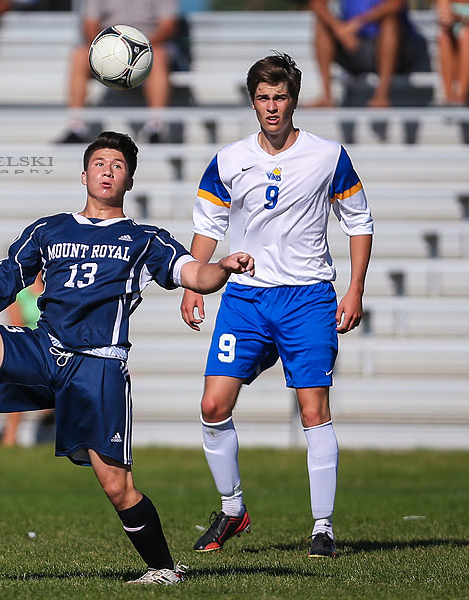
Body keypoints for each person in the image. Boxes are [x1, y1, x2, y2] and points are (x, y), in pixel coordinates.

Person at [0, 131, 255, 585]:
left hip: (97, 366)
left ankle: (162, 569)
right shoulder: (49, 229)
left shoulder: (145, 238)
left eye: (118, 165)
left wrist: (223, 269)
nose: (107, 170)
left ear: (129, 180)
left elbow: (193, 272)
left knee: (117, 486)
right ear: (83, 174)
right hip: (45, 347)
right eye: (99, 163)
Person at [180, 53, 374, 559]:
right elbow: (209, 227)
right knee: (211, 405)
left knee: (313, 409)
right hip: (245, 298)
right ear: (252, 102)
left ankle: (323, 528)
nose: (272, 107)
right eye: (263, 98)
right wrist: (194, 285)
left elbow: (359, 222)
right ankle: (231, 509)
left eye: (280, 97)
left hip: (308, 298)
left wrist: (354, 290)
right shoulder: (228, 159)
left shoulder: (328, 156)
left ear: (294, 99)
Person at [58, 0, 181, 144]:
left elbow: (168, 26)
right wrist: (106, 47)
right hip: (108, 46)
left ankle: (156, 127)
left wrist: (139, 47)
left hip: (149, 46)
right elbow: (89, 25)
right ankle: (76, 127)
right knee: (79, 55)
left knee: (158, 56)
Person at [309, 0, 429, 107]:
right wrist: (339, 29)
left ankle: (382, 96)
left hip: (396, 51)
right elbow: (317, 3)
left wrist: (358, 23)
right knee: (322, 26)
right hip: (355, 46)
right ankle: (326, 96)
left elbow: (396, 4)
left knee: (390, 22)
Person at [0, 273, 47, 446]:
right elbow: (16, 327)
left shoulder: (53, 289)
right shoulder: (19, 294)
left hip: (53, 349)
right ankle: (9, 439)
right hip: (29, 348)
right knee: (17, 385)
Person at [436, 0, 469, 105]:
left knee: (466, 37)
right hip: (456, 37)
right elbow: (444, 16)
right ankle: (449, 97)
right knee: (444, 39)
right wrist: (447, 19)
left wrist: (459, 18)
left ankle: (460, 97)